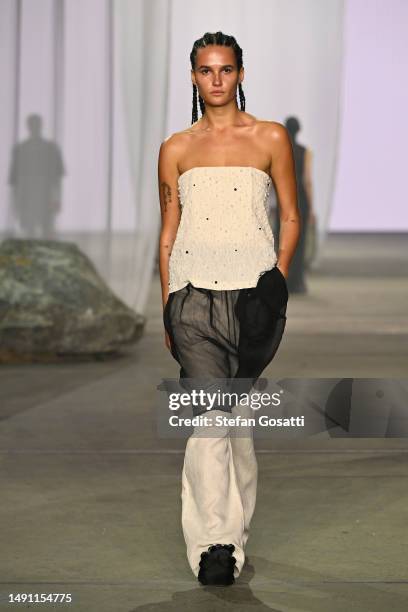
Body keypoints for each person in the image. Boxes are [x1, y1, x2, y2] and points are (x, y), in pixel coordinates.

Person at [157, 31, 300, 586]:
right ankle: (214, 545)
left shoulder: (269, 137)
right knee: (212, 420)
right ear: (192, 77)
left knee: (235, 422)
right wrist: (167, 301)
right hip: (192, 294)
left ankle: (232, 537)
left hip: (254, 296)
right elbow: (168, 231)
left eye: (225, 69)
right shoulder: (175, 148)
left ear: (240, 74)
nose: (215, 80)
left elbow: (289, 214)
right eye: (205, 70)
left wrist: (278, 279)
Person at [274, 116, 315, 293]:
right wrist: (312, 208)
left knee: (283, 239)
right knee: (300, 238)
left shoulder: (279, 151)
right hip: (300, 200)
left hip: (284, 199)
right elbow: (307, 181)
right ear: (299, 130)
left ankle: (283, 279)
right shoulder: (305, 152)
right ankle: (297, 282)